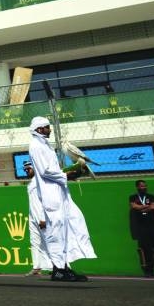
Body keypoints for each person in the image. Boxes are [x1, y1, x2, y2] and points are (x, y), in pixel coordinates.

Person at [28, 116, 96, 282]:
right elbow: (45, 171)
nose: (50, 129)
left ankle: (65, 267)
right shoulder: (36, 146)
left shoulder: (44, 145)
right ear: (39, 129)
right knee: (56, 233)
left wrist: (70, 174)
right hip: (51, 196)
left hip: (60, 192)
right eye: (47, 127)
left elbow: (52, 170)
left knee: (71, 226)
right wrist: (67, 175)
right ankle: (58, 270)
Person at [22, 160, 51, 276]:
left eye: (28, 169)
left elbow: (45, 200)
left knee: (48, 241)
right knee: (34, 241)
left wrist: (43, 218)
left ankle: (56, 267)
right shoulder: (30, 183)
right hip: (32, 216)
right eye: (25, 170)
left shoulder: (41, 182)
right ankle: (36, 267)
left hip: (42, 217)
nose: (26, 172)